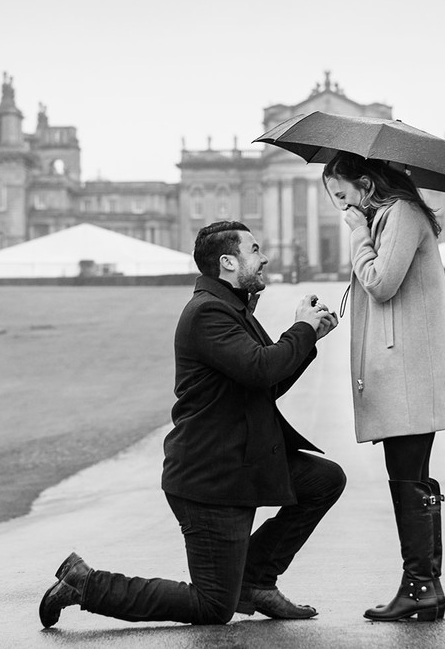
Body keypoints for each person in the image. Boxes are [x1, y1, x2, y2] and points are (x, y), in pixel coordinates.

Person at [39, 220, 346, 628]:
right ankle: (86, 584)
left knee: (324, 480)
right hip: (210, 477)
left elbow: (262, 383)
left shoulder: (231, 308)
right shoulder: (208, 313)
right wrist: (301, 329)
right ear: (228, 262)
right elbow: (260, 368)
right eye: (255, 249)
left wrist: (309, 339)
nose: (265, 256)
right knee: (211, 607)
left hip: (241, 461)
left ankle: (255, 580)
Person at [323, 152, 445, 622]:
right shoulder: (391, 216)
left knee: (407, 476)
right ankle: (425, 586)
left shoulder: (400, 215)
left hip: (409, 370)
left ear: (366, 185)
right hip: (405, 367)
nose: (341, 207)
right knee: (412, 477)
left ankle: (421, 587)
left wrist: (357, 234)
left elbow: (381, 282)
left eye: (343, 195)